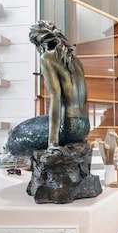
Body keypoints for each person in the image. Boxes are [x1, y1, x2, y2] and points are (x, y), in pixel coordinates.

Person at [29, 20, 90, 153]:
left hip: (70, 126)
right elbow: (85, 99)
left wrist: (52, 143)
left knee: (22, 133)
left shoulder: (47, 57)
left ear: (40, 43)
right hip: (84, 126)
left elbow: (55, 98)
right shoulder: (76, 60)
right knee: (39, 122)